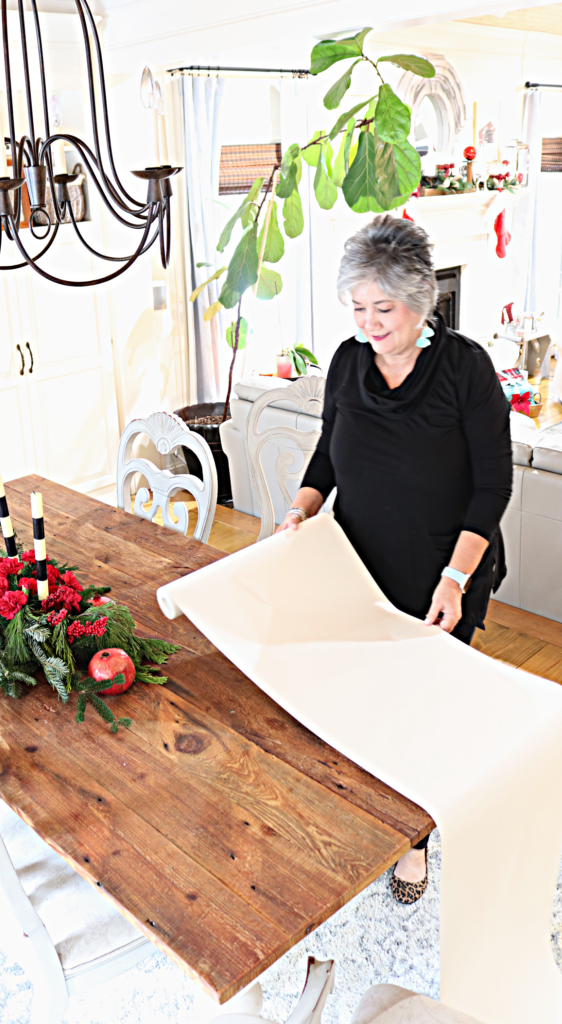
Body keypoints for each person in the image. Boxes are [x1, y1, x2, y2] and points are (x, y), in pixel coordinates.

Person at [277, 214, 512, 904]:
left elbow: (493, 484)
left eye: (384, 309)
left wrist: (457, 576)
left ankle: (413, 840)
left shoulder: (465, 368)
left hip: (444, 571)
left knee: (422, 711)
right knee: (358, 701)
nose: (369, 323)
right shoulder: (349, 360)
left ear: (421, 302)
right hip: (357, 564)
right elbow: (328, 452)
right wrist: (301, 510)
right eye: (357, 308)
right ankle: (363, 813)